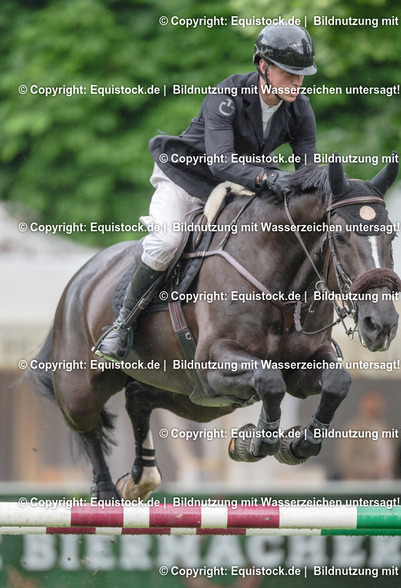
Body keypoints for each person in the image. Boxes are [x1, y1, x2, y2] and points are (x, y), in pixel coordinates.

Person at [95, 23, 318, 363]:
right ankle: (122, 325)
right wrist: (267, 176)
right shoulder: (226, 97)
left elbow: (306, 172)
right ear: (263, 66)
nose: (297, 81)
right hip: (186, 178)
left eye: (301, 74)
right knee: (167, 241)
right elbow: (220, 162)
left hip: (237, 187)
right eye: (289, 72)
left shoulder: (300, 109)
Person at [336, 390, 394, 481]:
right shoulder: (353, 429)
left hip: (387, 481)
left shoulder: (386, 428)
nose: (375, 409)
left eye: (377, 407)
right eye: (371, 407)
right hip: (362, 483)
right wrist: (374, 469)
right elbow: (346, 460)